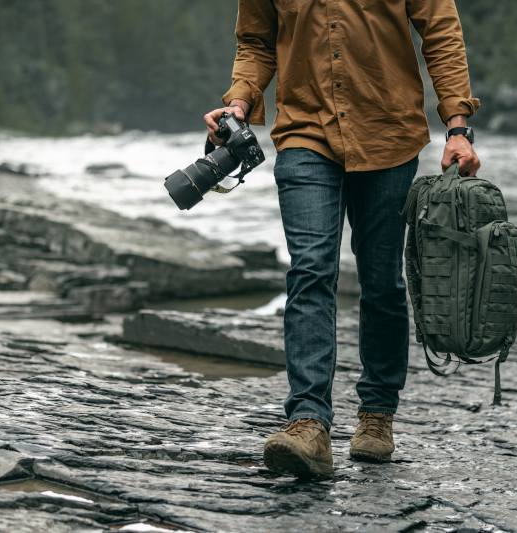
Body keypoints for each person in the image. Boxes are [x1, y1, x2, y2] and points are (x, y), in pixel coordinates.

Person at [204, 0, 480, 479]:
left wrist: (457, 126)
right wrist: (239, 102)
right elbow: (256, 41)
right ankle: (308, 423)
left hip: (389, 133)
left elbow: (441, 34)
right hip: (305, 134)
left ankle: (377, 414)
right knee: (310, 268)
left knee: (382, 281)